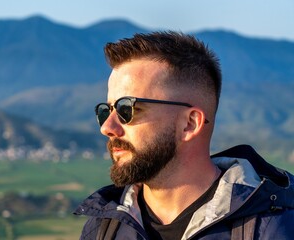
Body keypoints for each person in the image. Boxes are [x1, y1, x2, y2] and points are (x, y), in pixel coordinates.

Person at [74, 31, 294, 239]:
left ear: (190, 123)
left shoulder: (272, 228)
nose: (107, 127)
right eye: (105, 110)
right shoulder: (103, 228)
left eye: (126, 109)